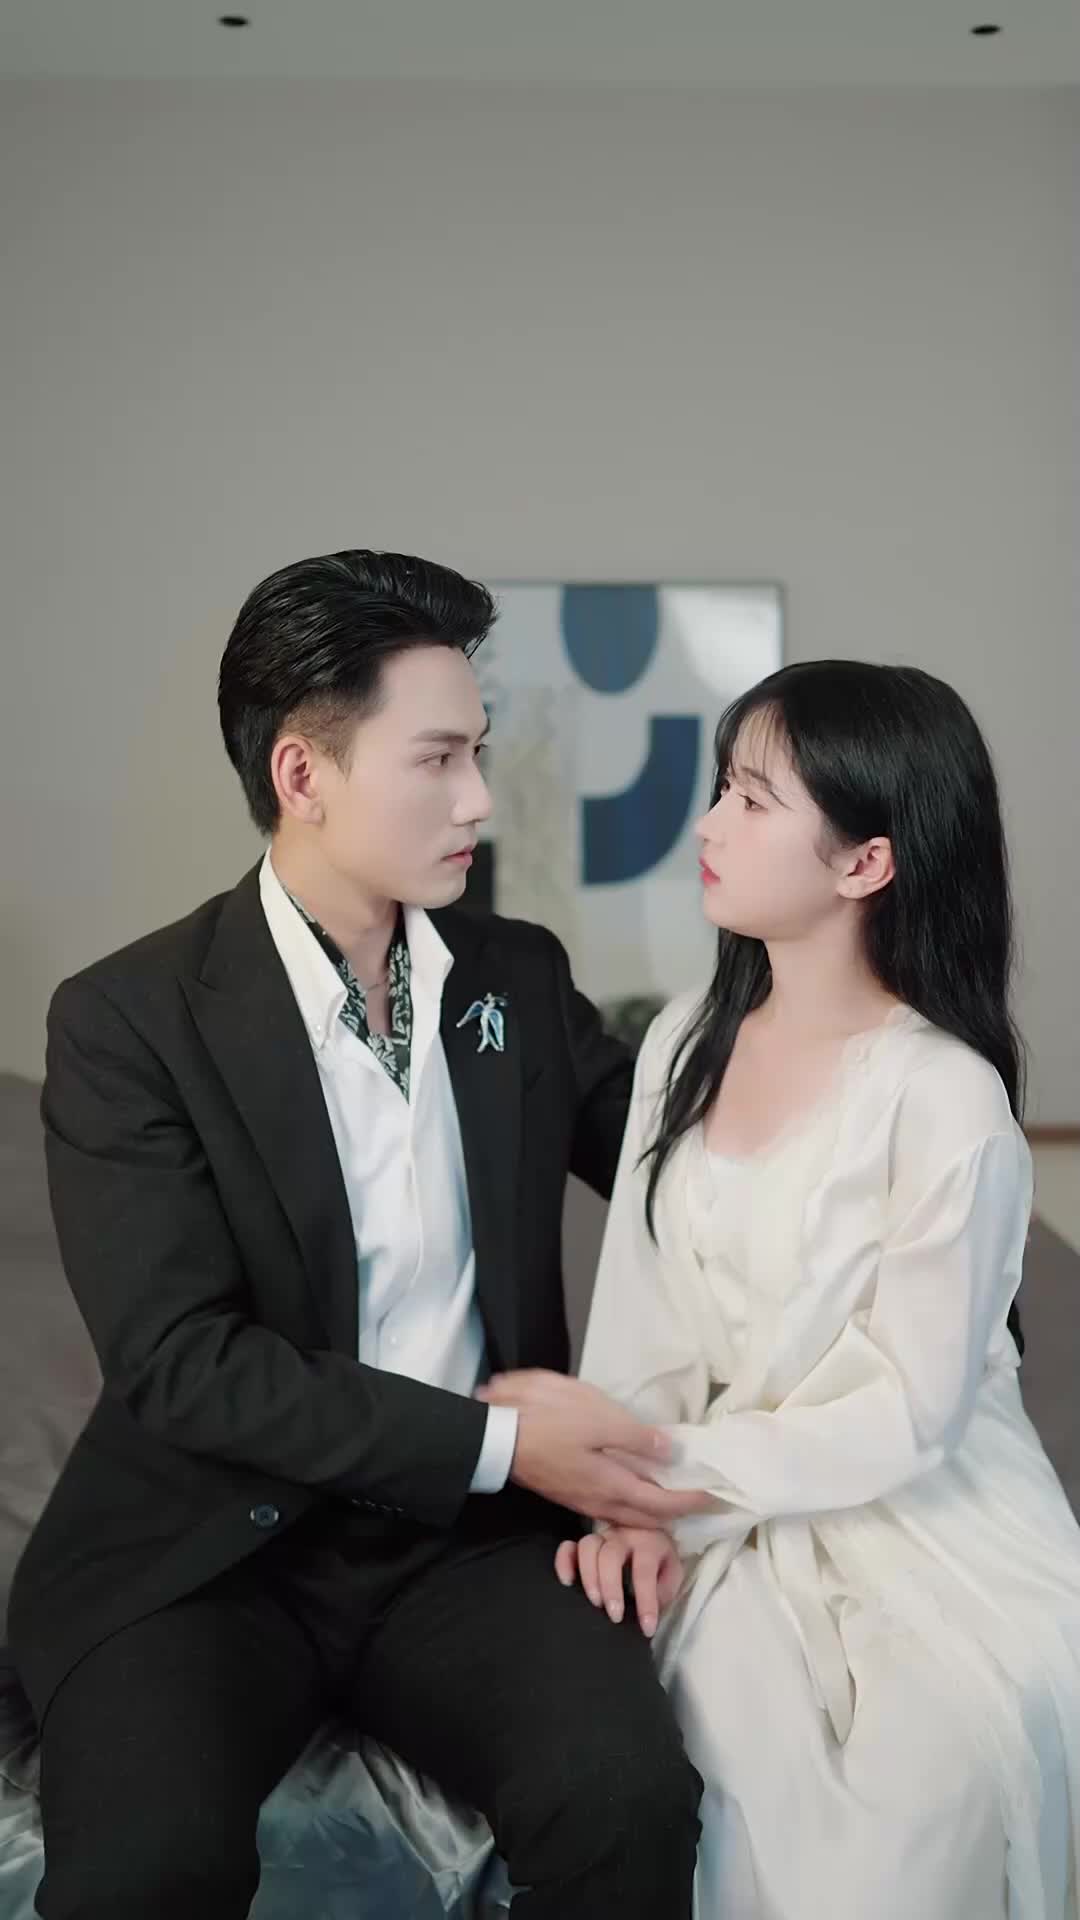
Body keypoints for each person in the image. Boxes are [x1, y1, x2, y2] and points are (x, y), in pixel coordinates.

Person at [9, 548, 705, 1920]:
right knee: (148, 1868)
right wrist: (506, 1440)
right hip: (210, 1552)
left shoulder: (513, 978)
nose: (479, 799)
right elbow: (184, 1363)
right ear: (303, 774)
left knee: (628, 1801)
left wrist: (926, 1252)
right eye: (437, 759)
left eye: (479, 753)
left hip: (468, 1553)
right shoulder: (128, 1020)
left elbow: (690, 1180)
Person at [485, 660, 1080, 1917]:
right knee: (722, 1760)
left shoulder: (944, 1095)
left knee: (932, 1786)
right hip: (711, 1510)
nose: (708, 825)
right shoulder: (683, 1040)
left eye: (752, 800)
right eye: (721, 789)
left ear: (865, 862)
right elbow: (641, 1325)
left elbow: (909, 1414)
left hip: (926, 1517)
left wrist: (666, 1477)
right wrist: (628, 1503)